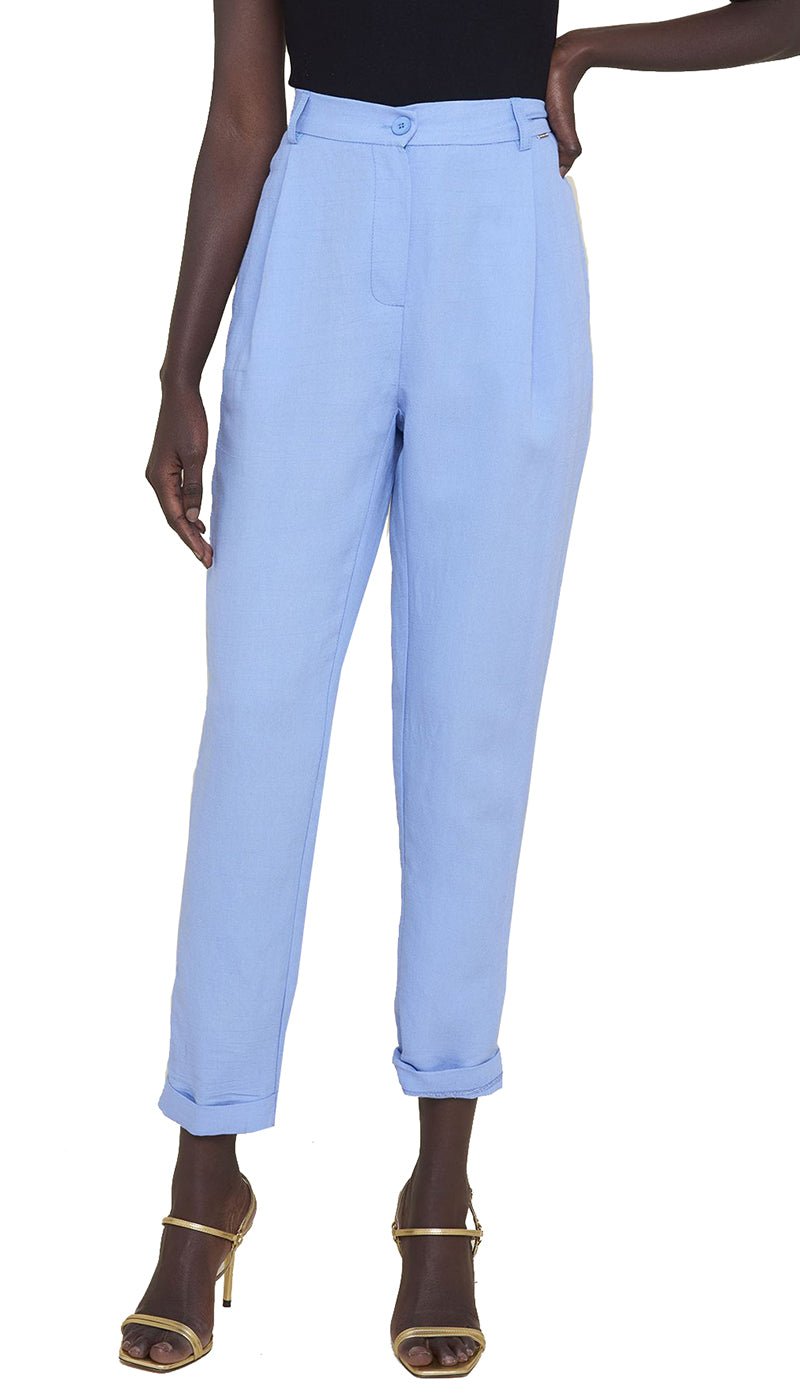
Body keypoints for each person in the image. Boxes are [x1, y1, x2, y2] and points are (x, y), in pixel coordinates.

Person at [120, 0, 800, 1378]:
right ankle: (207, 1166)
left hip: (503, 221)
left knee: (469, 729)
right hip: (317, 213)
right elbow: (245, 113)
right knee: (254, 723)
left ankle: (442, 1184)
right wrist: (179, 370)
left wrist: (591, 49)